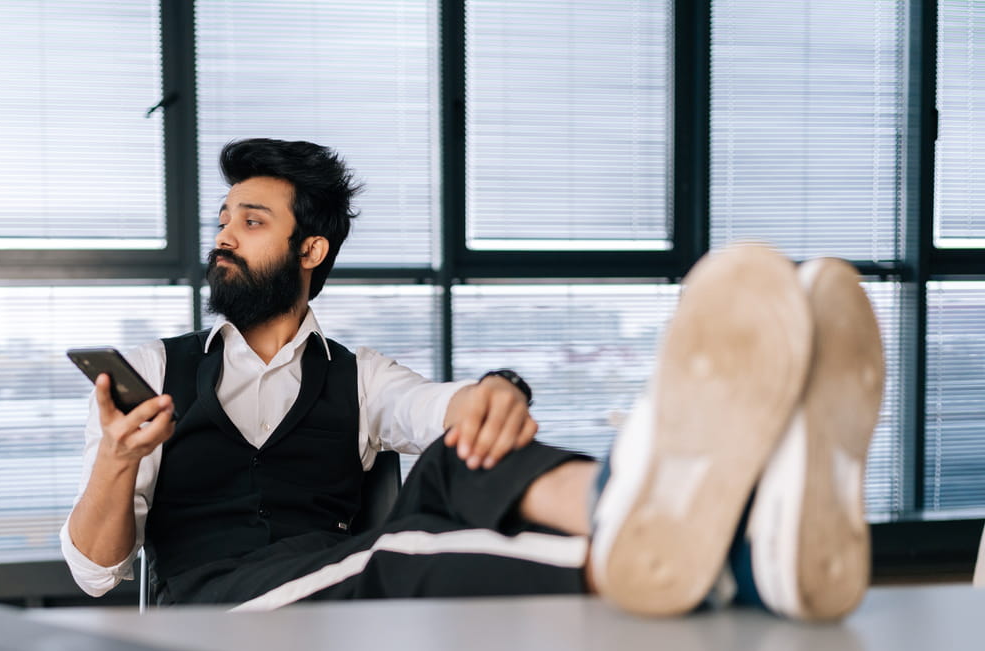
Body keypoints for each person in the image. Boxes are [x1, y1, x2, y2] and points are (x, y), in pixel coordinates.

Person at [61, 138, 885, 621]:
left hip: (331, 602)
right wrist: (115, 459)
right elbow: (94, 571)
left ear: (309, 251)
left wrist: (492, 392)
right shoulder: (160, 370)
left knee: (462, 455)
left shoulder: (360, 378)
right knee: (395, 555)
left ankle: (694, 518)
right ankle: (699, 547)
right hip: (220, 617)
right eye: (223, 219)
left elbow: (436, 406)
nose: (224, 236)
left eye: (251, 220)